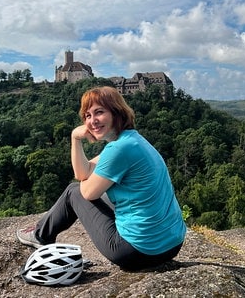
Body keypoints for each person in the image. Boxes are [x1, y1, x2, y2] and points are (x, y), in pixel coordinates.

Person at [16, 86, 186, 271]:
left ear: (116, 112)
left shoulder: (118, 149)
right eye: (87, 116)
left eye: (99, 112)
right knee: (85, 189)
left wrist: (91, 179)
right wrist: (75, 138)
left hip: (136, 251)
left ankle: (41, 236)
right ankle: (42, 232)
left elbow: (86, 193)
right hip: (171, 245)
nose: (92, 121)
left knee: (74, 192)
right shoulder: (132, 140)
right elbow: (83, 172)